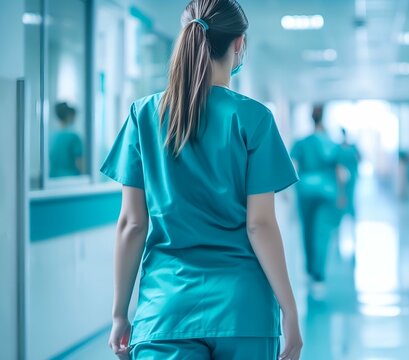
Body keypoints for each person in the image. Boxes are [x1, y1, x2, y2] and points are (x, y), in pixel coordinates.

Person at [101, 1, 302, 359]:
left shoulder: (144, 115)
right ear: (239, 44)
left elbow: (132, 224)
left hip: (166, 311)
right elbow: (259, 225)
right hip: (244, 312)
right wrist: (289, 310)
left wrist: (119, 314)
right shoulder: (254, 119)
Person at [291, 105, 344, 294]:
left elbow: (292, 166)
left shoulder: (302, 142)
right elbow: (339, 171)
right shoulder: (332, 143)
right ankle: (319, 274)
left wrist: (286, 193)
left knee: (307, 229)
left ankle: (310, 270)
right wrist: (342, 194)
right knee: (322, 232)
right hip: (327, 192)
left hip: (305, 190)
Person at [50, 102, 83, 177]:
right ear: (70, 116)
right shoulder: (74, 137)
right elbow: (80, 164)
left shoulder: (51, 136)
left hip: (53, 179)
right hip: (71, 180)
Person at [337, 128, 361, 218]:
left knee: (350, 195)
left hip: (352, 175)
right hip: (341, 175)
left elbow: (359, 158)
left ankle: (351, 214)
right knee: (342, 195)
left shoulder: (353, 147)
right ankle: (343, 213)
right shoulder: (339, 147)